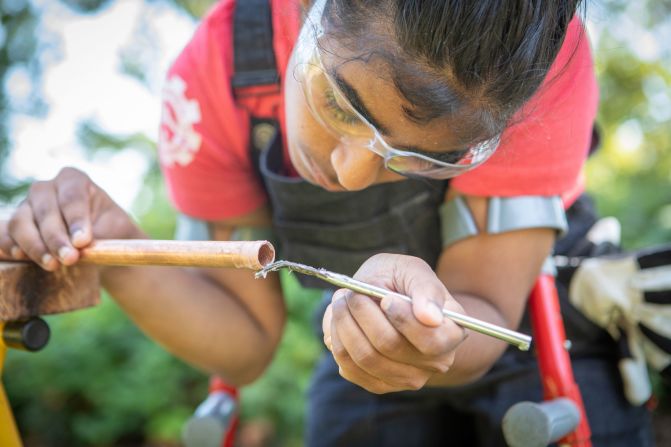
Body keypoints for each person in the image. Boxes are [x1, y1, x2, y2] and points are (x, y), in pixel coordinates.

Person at [0, 0, 655, 445]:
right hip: (357, 349)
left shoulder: (538, 67)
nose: (348, 174)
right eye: (339, 106)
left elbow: (484, 301)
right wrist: (116, 251)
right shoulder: (218, 72)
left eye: (422, 157)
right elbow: (247, 340)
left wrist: (430, 328)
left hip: (529, 321)